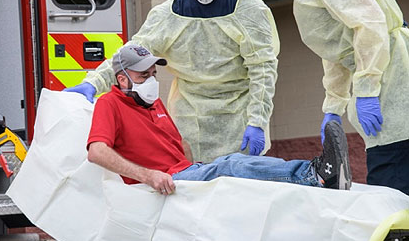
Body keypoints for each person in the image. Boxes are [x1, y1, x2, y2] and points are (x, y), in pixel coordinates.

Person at [66, 0, 280, 163]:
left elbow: (263, 69)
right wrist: (94, 82)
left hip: (239, 118)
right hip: (189, 119)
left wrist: (257, 120)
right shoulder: (169, 15)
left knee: (240, 186)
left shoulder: (248, 10)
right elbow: (133, 53)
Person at [235, 0, 409, 195]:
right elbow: (337, 51)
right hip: (388, 76)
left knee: (393, 188)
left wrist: (367, 89)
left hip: (394, 78)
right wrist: (334, 107)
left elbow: (368, 24)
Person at [86, 44, 352, 193]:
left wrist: (193, 164)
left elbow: (180, 147)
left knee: (230, 161)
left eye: (154, 74)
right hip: (164, 183)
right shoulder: (110, 104)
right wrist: (149, 176)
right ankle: (315, 174)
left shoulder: (153, 103)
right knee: (230, 167)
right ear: (122, 79)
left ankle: (316, 175)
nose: (152, 80)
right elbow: (97, 152)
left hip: (185, 172)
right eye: (144, 76)